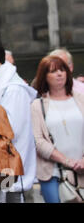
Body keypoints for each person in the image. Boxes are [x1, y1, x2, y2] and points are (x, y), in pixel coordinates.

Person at [0, 34, 37, 203]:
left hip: (12, 167)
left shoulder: (13, 89)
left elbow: (11, 130)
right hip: (2, 166)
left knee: (10, 197)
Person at [30, 55, 84, 203]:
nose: (59, 74)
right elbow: (38, 140)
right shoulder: (37, 105)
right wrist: (67, 161)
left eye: (62, 70)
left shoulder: (80, 99)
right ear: (44, 77)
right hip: (52, 173)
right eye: (53, 71)